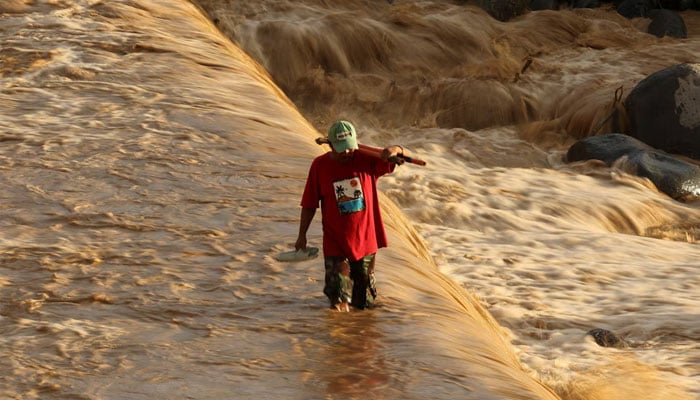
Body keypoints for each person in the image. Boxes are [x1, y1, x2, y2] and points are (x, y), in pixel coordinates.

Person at [295, 120, 408, 312]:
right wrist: (301, 235)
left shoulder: (367, 160)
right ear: (330, 146)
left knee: (363, 303)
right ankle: (340, 338)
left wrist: (396, 149)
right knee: (338, 297)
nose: (346, 153)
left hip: (365, 240)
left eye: (349, 148)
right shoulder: (320, 166)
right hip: (335, 241)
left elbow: (397, 156)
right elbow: (309, 204)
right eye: (340, 149)